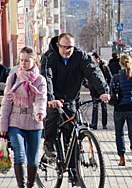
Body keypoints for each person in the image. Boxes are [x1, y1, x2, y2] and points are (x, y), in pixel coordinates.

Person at [40, 33, 110, 166]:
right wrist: (50, 98)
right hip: (53, 98)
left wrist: (103, 91)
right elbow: (46, 78)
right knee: (54, 115)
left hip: (71, 99)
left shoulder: (80, 56)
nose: (67, 51)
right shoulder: (50, 57)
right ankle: (49, 144)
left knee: (71, 135)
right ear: (58, 45)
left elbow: (93, 72)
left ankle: (74, 172)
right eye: (64, 47)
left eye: (70, 47)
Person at [0, 47, 47, 188]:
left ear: (34, 61)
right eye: (22, 60)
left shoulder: (40, 80)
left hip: (34, 122)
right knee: (19, 155)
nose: (24, 63)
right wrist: (3, 123)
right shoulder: (13, 78)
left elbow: (41, 99)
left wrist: (40, 113)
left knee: (32, 159)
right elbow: (6, 102)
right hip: (15, 122)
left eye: (27, 60)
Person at [110, 54, 132, 168]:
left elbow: (111, 93)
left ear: (120, 64)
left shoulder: (115, 77)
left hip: (119, 108)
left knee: (119, 134)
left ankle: (122, 159)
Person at [89, 52, 112, 129]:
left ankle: (104, 124)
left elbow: (110, 78)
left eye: (93, 58)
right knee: (95, 107)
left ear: (97, 59)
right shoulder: (91, 67)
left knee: (104, 107)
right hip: (94, 91)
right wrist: (89, 85)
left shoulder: (104, 67)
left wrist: (106, 87)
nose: (92, 60)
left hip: (103, 91)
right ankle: (94, 124)